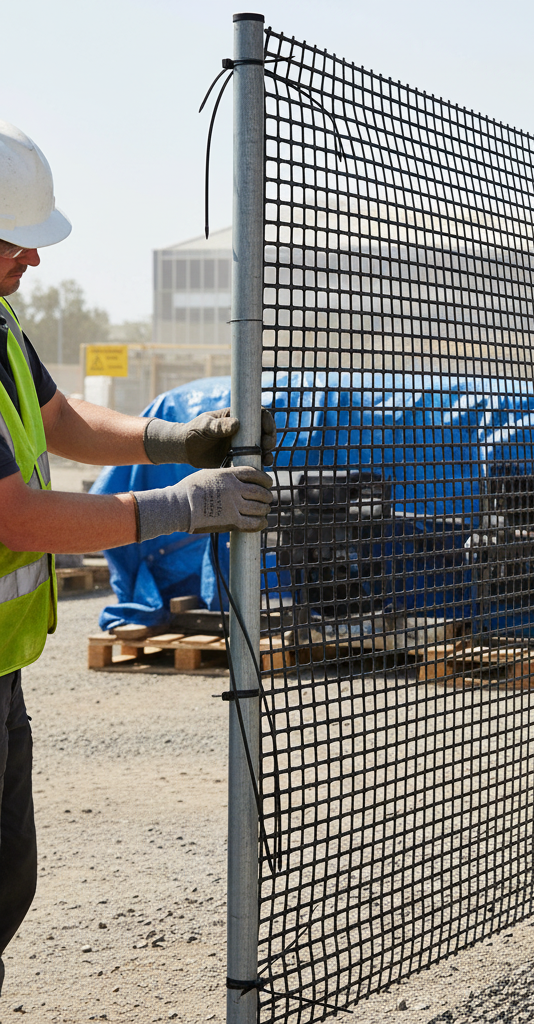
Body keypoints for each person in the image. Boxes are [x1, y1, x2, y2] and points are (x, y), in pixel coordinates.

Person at [0, 120, 276, 996]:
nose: (32, 259)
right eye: (14, 241)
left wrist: (174, 439)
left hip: (0, 667)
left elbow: (59, 419)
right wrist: (179, 506)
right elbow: (17, 518)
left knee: (5, 887)